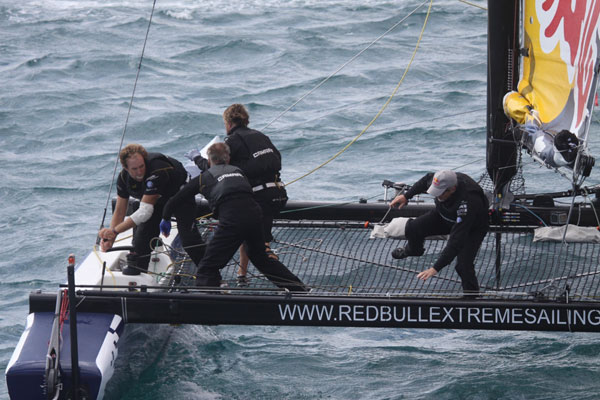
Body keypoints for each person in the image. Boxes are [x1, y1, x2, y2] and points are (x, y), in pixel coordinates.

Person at [163, 142, 307, 292]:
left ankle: (213, 303)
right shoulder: (238, 170)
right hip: (255, 214)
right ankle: (300, 290)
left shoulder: (203, 178)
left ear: (209, 160)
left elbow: (176, 199)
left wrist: (166, 218)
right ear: (228, 159)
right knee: (261, 258)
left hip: (232, 218)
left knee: (207, 267)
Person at [186, 104, 287, 284]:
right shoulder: (262, 136)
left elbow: (215, 168)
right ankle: (242, 275)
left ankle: (290, 288)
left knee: (262, 250)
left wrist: (197, 158)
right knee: (248, 235)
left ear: (228, 123)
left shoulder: (232, 140)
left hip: (259, 198)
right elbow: (277, 160)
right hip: (277, 195)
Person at [98, 144, 205, 274]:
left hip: (179, 197)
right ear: (125, 168)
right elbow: (120, 211)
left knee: (189, 240)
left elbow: (144, 212)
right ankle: (139, 277)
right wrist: (110, 239)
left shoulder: (157, 169)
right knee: (141, 240)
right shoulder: (123, 179)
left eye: (141, 166)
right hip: (155, 201)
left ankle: (210, 274)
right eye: (134, 169)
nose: (139, 172)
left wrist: (114, 231)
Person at [389, 170, 489, 295]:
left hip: (471, 228)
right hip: (444, 215)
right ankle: (413, 251)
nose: (437, 196)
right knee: (413, 227)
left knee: (463, 266)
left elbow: (456, 241)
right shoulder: (439, 180)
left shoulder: (468, 201)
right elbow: (425, 180)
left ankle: (472, 299)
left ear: (452, 189)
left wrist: (435, 268)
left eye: (440, 193)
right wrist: (406, 196)